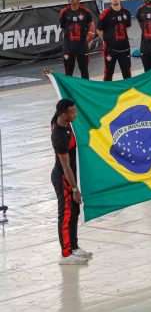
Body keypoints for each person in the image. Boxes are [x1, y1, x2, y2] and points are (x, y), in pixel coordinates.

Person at [50, 97, 92, 264]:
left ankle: (74, 247)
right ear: (63, 114)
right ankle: (66, 254)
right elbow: (65, 165)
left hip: (72, 175)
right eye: (72, 112)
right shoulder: (59, 136)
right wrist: (74, 189)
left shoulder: (61, 119)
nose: (75, 115)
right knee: (66, 214)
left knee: (74, 212)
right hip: (64, 178)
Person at [97, 0, 132, 81]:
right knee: (108, 73)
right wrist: (107, 40)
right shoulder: (105, 14)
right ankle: (107, 90)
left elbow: (126, 28)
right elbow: (99, 30)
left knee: (127, 73)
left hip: (125, 48)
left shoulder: (127, 12)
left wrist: (121, 39)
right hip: (110, 49)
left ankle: (128, 89)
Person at [59, 0, 93, 79]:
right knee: (68, 71)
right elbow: (63, 28)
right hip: (68, 47)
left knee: (84, 70)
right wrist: (67, 41)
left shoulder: (86, 12)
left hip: (82, 46)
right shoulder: (64, 12)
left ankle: (85, 87)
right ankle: (68, 88)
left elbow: (89, 25)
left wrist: (85, 36)